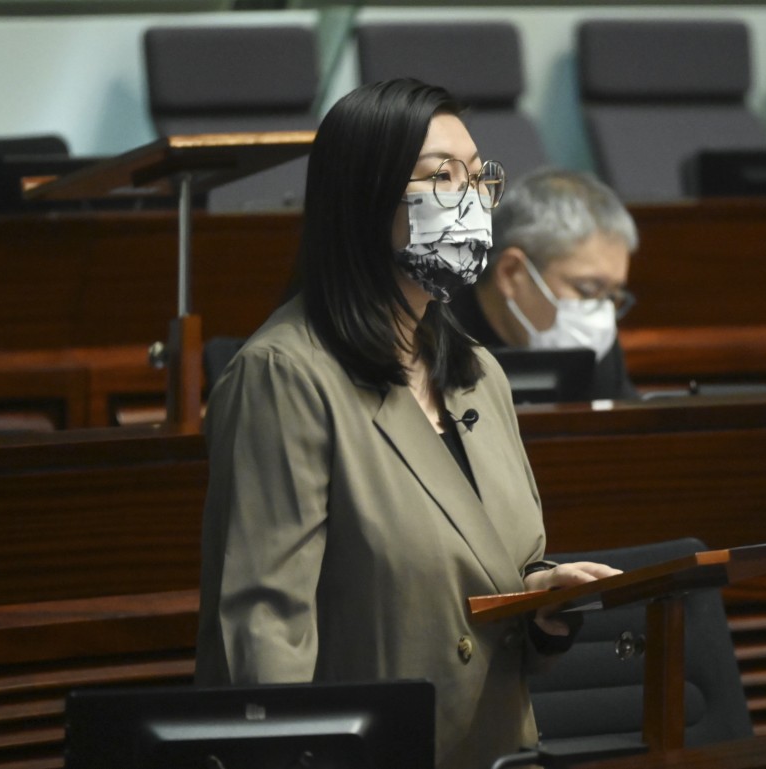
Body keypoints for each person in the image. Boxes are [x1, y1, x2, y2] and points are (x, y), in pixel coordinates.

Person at [193, 78, 619, 769]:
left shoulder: (479, 370)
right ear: (366, 196)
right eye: (440, 176)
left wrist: (540, 597)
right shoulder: (284, 376)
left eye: (478, 175)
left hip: (498, 751)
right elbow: (265, 642)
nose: (472, 195)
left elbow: (493, 563)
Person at [450, 168, 640, 401]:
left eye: (610, 296)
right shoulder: (433, 337)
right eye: (587, 290)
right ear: (510, 273)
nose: (601, 314)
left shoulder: (596, 345)